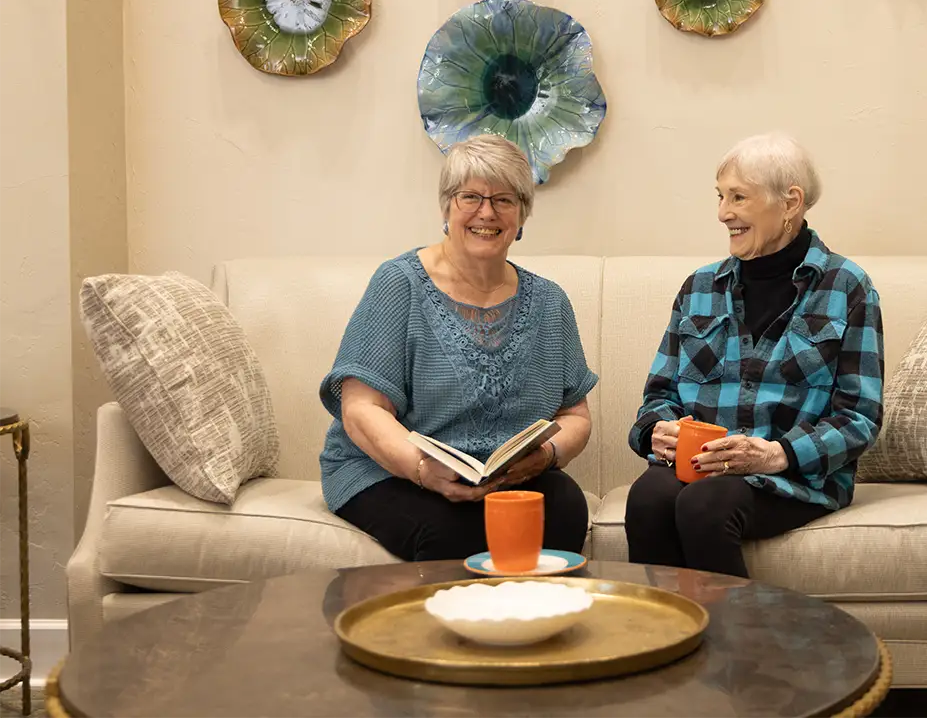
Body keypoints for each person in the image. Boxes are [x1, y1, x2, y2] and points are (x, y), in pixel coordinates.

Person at [319, 134, 598, 561]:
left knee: (565, 507)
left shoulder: (549, 302)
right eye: (470, 196)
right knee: (452, 532)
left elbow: (574, 415)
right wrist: (421, 469)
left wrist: (544, 458)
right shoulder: (400, 284)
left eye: (504, 199)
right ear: (447, 208)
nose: (486, 212)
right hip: (389, 472)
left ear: (522, 215)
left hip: (499, 478)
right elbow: (361, 410)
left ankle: (534, 626)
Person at [625, 132, 884, 577]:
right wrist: (655, 432)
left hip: (792, 475)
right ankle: (661, 639)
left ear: (790, 203)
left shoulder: (846, 287)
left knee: (705, 505)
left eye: (739, 197)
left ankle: (735, 646)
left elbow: (859, 416)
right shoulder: (700, 288)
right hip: (699, 464)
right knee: (648, 498)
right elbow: (660, 393)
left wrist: (776, 454)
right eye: (721, 196)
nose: (723, 213)